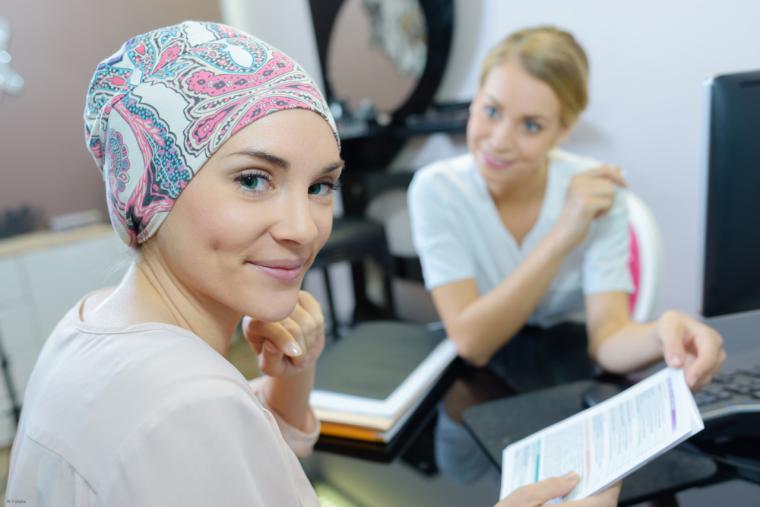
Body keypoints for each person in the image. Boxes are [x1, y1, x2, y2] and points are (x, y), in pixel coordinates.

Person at [4, 20, 611, 507]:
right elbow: (202, 429)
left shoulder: (87, 328)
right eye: (252, 179)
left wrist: (292, 377)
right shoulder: (184, 405)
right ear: (151, 188)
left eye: (321, 186)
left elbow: (246, 462)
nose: (303, 230)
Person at [408, 25, 726, 497]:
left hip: (569, 379)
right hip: (472, 392)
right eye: (491, 111)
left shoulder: (597, 192)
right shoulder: (437, 191)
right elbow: (472, 340)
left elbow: (608, 340)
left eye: (532, 125)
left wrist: (663, 333)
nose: (499, 140)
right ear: (473, 101)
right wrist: (563, 234)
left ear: (564, 130)